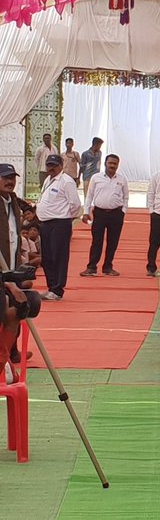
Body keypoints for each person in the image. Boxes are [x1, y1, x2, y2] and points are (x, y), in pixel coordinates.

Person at [0, 163, 39, 383]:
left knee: (21, 305)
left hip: (12, 261)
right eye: (5, 177)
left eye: (12, 177)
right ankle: (4, 357)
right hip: (2, 267)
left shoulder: (13, 201)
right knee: (10, 307)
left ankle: (10, 352)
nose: (10, 181)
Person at [35, 154, 80, 301]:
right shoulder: (48, 180)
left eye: (54, 165)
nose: (51, 168)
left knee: (58, 257)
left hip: (59, 224)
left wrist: (65, 217)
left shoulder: (66, 181)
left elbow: (75, 204)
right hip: (46, 223)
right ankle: (51, 287)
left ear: (61, 165)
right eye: (49, 165)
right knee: (47, 257)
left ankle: (57, 289)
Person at [81, 153, 128, 277]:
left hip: (116, 214)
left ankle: (108, 267)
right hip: (99, 213)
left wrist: (123, 211)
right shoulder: (96, 178)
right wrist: (86, 212)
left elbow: (126, 197)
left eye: (115, 163)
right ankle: (91, 267)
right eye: (110, 163)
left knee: (113, 242)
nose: (112, 165)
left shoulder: (122, 179)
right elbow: (89, 196)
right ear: (105, 164)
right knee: (97, 241)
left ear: (118, 165)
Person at [79, 136, 104, 203]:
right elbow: (82, 166)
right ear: (95, 144)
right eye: (99, 145)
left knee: (97, 194)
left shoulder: (99, 153)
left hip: (96, 176)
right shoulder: (85, 154)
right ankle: (86, 210)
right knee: (87, 195)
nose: (100, 147)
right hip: (87, 177)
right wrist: (79, 177)